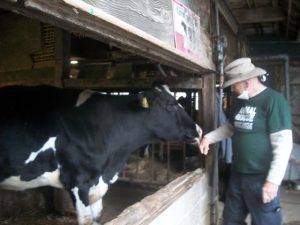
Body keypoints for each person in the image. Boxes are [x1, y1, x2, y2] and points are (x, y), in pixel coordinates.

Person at [199, 58, 293, 225]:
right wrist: (208, 138)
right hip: (238, 174)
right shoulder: (240, 101)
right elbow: (230, 127)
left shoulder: (274, 101)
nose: (233, 89)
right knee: (230, 220)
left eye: (234, 84)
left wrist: (272, 181)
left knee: (265, 221)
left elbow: (283, 145)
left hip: (262, 177)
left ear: (247, 82)